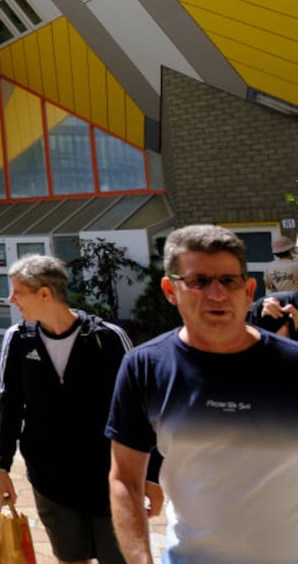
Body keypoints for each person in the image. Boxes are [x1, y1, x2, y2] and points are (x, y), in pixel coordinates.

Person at [107, 225, 298, 564]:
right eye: (198, 281)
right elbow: (124, 476)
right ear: (170, 290)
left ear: (248, 289)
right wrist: (139, 560)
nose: (217, 294)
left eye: (228, 281)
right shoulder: (145, 368)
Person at [0, 254, 145, 564]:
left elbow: (139, 408)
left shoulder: (108, 338)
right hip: (51, 479)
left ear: (44, 293)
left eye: (18, 291)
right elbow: (6, 405)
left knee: (122, 558)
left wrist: (150, 476)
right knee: (71, 559)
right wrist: (0, 468)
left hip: (110, 478)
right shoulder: (18, 340)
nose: (11, 299)